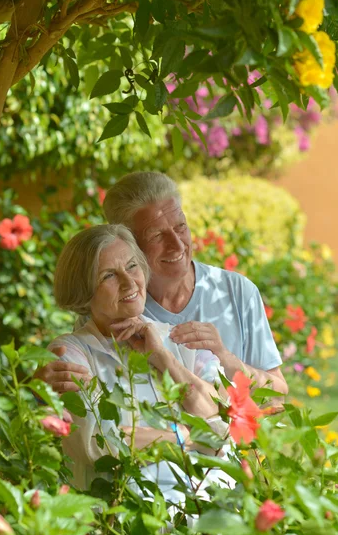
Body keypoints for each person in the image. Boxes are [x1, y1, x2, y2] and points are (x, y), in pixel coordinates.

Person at [39, 172, 288, 400]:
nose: (178, 246)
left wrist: (225, 358)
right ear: (128, 243)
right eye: (157, 236)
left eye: (181, 227)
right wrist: (41, 386)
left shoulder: (236, 291)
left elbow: (276, 395)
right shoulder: (116, 305)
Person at [49, 224, 230, 493]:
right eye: (109, 275)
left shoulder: (183, 339)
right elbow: (100, 444)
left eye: (132, 266)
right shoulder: (71, 353)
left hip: (199, 515)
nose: (129, 281)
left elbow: (224, 427)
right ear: (84, 291)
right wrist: (184, 435)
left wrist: (163, 359)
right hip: (118, 520)